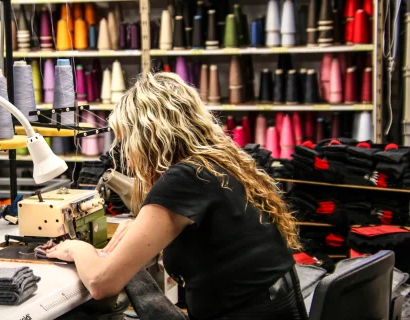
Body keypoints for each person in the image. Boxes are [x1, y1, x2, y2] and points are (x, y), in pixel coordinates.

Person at [46, 73, 304, 320]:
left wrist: (76, 248)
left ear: (147, 138)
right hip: (276, 306)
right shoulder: (218, 163)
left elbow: (101, 283)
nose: (125, 153)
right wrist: (142, 227)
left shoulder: (183, 179)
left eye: (126, 141)